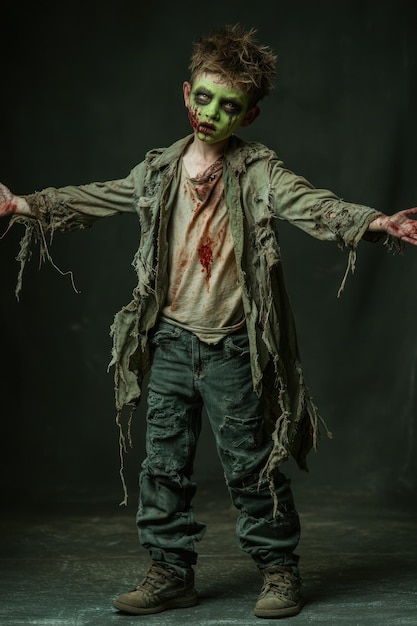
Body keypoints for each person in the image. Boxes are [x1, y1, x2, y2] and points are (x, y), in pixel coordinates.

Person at [1, 24, 417, 620]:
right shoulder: (159, 171)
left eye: (229, 106)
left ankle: (279, 571)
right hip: (169, 341)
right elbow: (98, 196)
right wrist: (23, 205)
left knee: (251, 464)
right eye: (204, 98)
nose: (212, 114)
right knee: (162, 465)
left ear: (247, 117)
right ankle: (171, 573)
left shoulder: (260, 173)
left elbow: (313, 204)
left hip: (233, 350)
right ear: (186, 94)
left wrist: (376, 224)